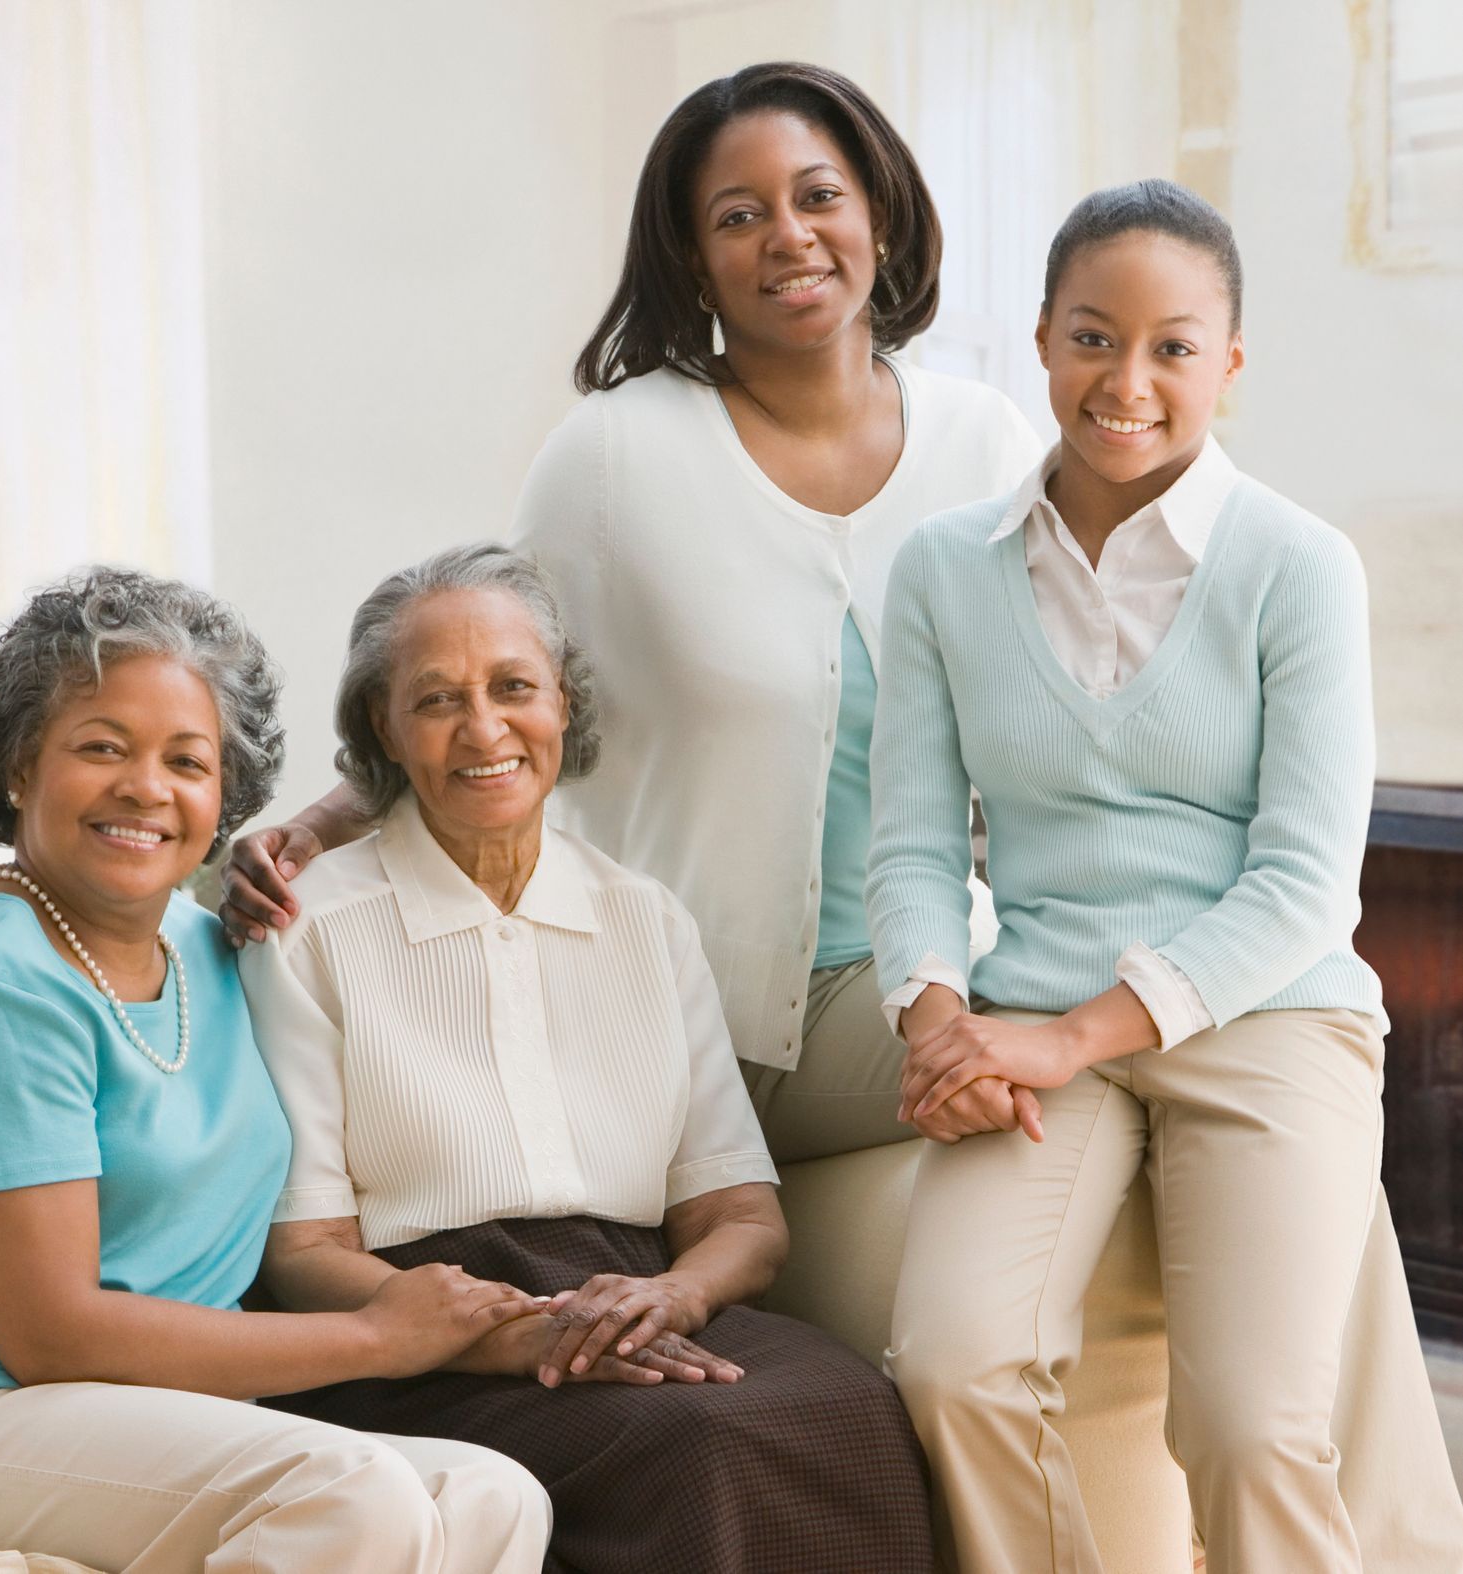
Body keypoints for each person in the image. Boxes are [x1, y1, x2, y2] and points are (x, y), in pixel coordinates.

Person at [220, 62, 1043, 1163]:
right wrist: (318, 826)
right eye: (739, 217)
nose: (790, 236)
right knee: (1095, 1059)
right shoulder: (618, 456)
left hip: (925, 977)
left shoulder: (985, 442)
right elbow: (488, 683)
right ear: (694, 263)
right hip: (700, 1010)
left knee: (1184, 1029)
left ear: (880, 215)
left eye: (818, 196)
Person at [868, 181, 1463, 1572]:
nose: (1124, 381)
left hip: (1267, 1019)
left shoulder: (1298, 566)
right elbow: (903, 842)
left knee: (1252, 1426)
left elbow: (1309, 885)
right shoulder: (942, 572)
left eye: (1172, 347)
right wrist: (935, 1019)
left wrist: (1077, 1031)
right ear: (1039, 339)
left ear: (1229, 365)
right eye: (1091, 336)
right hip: (1029, 1024)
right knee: (952, 1363)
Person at [0, 568, 552, 1574]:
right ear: (20, 766)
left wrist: (312, 827)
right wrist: (378, 1333)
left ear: (224, 795)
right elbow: (52, 1333)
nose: (148, 787)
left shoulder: (217, 943)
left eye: (188, 760)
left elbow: (418, 771)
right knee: (351, 1493)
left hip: (151, 1418)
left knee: (491, 1493)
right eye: (102, 746)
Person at [239, 544, 935, 1574]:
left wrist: (676, 1297)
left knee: (854, 1409)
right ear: (382, 729)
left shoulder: (644, 916)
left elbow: (742, 1218)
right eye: (436, 699)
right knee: (697, 1442)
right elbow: (302, 1257)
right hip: (421, 1334)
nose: (485, 728)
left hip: (641, 1296)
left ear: (564, 702)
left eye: (514, 687)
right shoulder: (306, 931)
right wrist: (501, 1329)